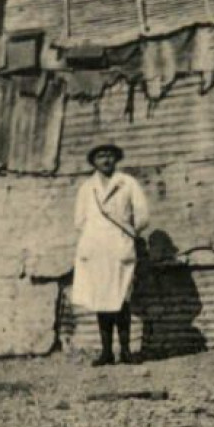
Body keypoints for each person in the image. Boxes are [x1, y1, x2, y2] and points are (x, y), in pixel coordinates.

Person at [72, 142, 150, 366]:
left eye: (109, 156)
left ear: (116, 159)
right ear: (94, 161)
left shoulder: (127, 183)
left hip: (119, 246)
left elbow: (142, 215)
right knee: (101, 300)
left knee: (121, 299)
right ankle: (106, 352)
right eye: (100, 156)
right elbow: (79, 220)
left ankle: (125, 351)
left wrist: (128, 233)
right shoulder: (87, 187)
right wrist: (94, 236)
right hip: (96, 248)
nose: (105, 160)